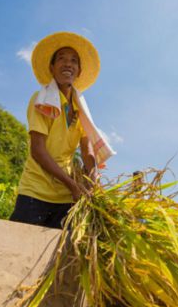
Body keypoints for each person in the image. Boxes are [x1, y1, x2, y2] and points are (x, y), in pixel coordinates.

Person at [9, 32, 109, 229]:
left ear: (79, 71)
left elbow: (87, 151)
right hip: (35, 193)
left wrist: (93, 179)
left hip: (65, 197)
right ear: (52, 68)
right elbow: (38, 150)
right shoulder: (42, 101)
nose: (68, 64)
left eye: (73, 61)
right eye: (61, 59)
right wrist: (72, 185)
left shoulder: (81, 109)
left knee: (58, 256)